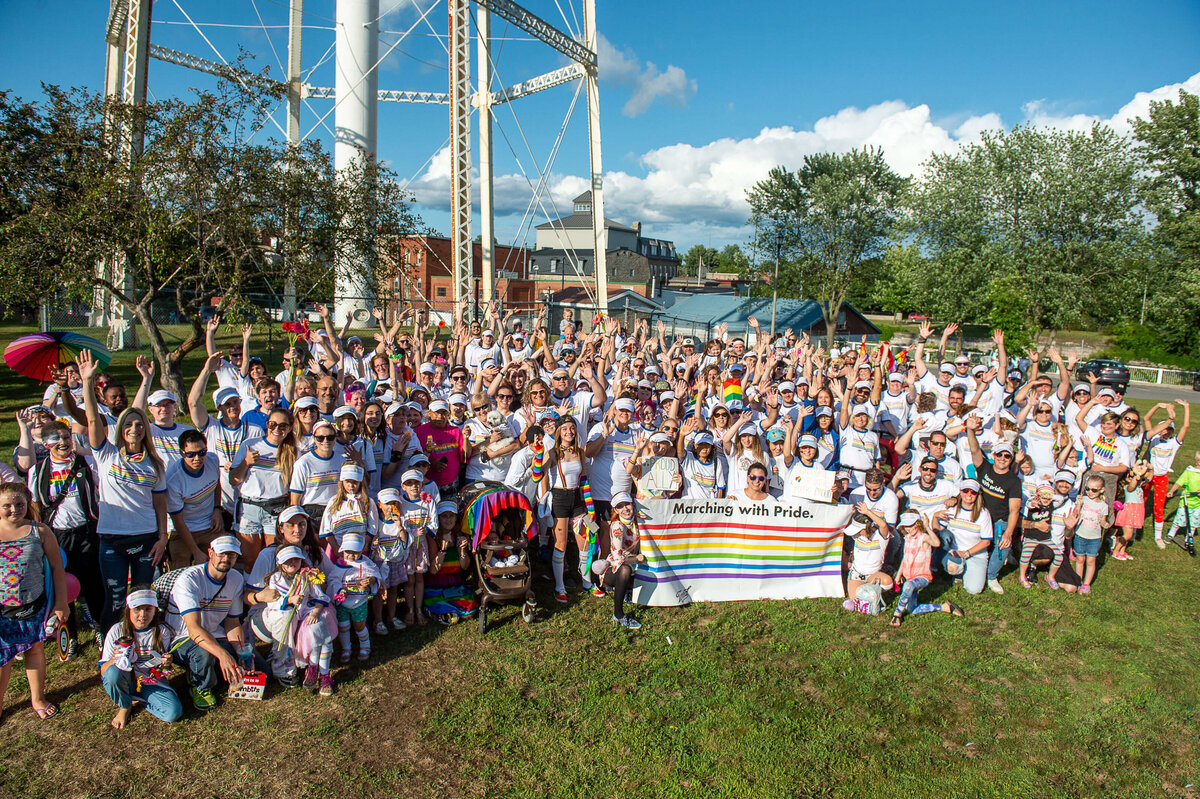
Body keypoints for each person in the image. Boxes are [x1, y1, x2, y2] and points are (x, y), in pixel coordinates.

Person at [78, 351, 169, 632]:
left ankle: (145, 654)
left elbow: (160, 506)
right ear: (120, 430)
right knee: (116, 601)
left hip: (146, 540)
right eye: (128, 424)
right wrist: (86, 382)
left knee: (144, 599)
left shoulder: (155, 463)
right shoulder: (106, 455)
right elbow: (93, 421)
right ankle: (109, 654)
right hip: (112, 542)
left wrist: (163, 538)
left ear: (145, 430)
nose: (134, 428)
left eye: (139, 424)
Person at [28, 422, 100, 658]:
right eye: (55, 438)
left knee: (92, 585)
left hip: (86, 532)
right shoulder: (37, 471)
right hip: (55, 535)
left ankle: (100, 630)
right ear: (45, 443)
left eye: (66, 437)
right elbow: (36, 506)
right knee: (61, 588)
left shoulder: (86, 463)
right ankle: (69, 638)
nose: (62, 442)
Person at [0, 482, 69, 720]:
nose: (13, 509)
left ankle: (37, 698)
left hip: (34, 605)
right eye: (6, 505)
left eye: (19, 504)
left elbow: (57, 568)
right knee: (3, 658)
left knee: (35, 648)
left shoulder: (40, 531)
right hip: (2, 611)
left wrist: (62, 602)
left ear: (27, 504)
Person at [165, 536, 255, 711]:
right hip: (183, 638)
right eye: (222, 554)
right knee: (203, 654)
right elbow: (194, 629)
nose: (226, 559)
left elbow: (232, 622)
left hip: (215, 634)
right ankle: (201, 686)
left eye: (232, 555)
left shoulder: (235, 578)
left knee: (256, 666)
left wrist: (240, 652)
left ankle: (217, 671)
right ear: (210, 553)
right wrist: (224, 656)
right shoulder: (189, 580)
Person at [257, 546, 337, 697]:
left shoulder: (306, 576)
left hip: (306, 611)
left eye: (296, 559)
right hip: (283, 614)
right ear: (280, 564)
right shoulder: (276, 579)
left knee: (319, 629)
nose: (293, 562)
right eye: (288, 561)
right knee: (293, 626)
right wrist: (288, 600)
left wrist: (316, 611)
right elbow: (274, 602)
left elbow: (320, 596)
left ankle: (322, 672)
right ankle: (291, 666)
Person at [98, 587, 183, 728]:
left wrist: (166, 664)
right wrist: (113, 659)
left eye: (148, 609)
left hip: (150, 681)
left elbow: (161, 671)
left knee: (173, 713)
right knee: (113, 673)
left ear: (155, 610)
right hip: (125, 679)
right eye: (137, 609)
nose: (142, 615)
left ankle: (137, 698)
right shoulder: (116, 631)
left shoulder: (162, 631)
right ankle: (125, 706)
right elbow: (103, 672)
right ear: (128, 610)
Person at [966, 425, 1022, 595]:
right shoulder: (985, 468)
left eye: (1007, 455)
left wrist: (1008, 533)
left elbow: (1014, 510)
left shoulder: (1013, 481)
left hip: (1000, 520)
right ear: (994, 455)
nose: (1003, 458)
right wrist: (970, 430)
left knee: (1004, 544)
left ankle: (991, 576)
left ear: (1011, 459)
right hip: (980, 516)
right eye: (999, 454)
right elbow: (974, 450)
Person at [890, 512, 963, 626]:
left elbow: (937, 543)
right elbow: (905, 558)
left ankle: (897, 614)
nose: (909, 529)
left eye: (911, 525)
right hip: (910, 577)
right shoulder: (908, 538)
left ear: (918, 524)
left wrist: (928, 527)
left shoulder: (923, 538)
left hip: (922, 577)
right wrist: (899, 575)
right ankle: (944, 607)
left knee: (908, 586)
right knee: (912, 609)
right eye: (906, 526)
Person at [165, 429, 223, 568]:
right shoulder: (173, 480)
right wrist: (195, 551)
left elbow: (216, 485)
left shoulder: (212, 460)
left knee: (221, 564)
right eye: (191, 454)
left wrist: (217, 509)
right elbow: (177, 521)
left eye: (202, 452)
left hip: (209, 526)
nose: (198, 458)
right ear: (181, 453)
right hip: (181, 531)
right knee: (180, 574)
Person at [930, 479, 994, 596]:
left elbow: (986, 542)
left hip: (976, 553)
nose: (969, 494)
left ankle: (965, 570)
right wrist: (935, 517)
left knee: (974, 590)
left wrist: (967, 553)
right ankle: (956, 572)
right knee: (953, 568)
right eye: (965, 491)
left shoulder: (984, 513)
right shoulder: (952, 509)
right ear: (960, 492)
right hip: (955, 550)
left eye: (973, 492)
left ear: (977, 495)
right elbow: (938, 531)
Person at [330, 533, 381, 664]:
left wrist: (371, 580)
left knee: (359, 625)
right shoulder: (339, 565)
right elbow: (333, 579)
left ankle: (365, 646)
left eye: (355, 552)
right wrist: (339, 590)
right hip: (343, 603)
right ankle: (346, 648)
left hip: (359, 601)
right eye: (348, 552)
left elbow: (375, 574)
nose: (351, 556)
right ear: (342, 550)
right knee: (343, 625)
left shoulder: (365, 563)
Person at [599, 493, 644, 630]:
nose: (625, 509)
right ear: (616, 511)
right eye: (620, 506)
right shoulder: (617, 525)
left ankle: (627, 593)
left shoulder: (638, 521)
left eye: (627, 504)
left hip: (634, 564)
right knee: (625, 570)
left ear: (633, 505)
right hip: (615, 568)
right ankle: (618, 614)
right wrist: (636, 559)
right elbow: (618, 557)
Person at [1072, 475, 1111, 595]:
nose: (1090, 492)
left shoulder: (1104, 506)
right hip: (1080, 535)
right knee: (1080, 559)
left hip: (1094, 538)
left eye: (1094, 490)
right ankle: (1078, 580)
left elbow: (1103, 520)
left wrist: (1105, 524)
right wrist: (1078, 504)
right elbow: (1075, 515)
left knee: (1090, 561)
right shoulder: (1083, 499)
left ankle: (1086, 584)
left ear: (1101, 490)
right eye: (1088, 488)